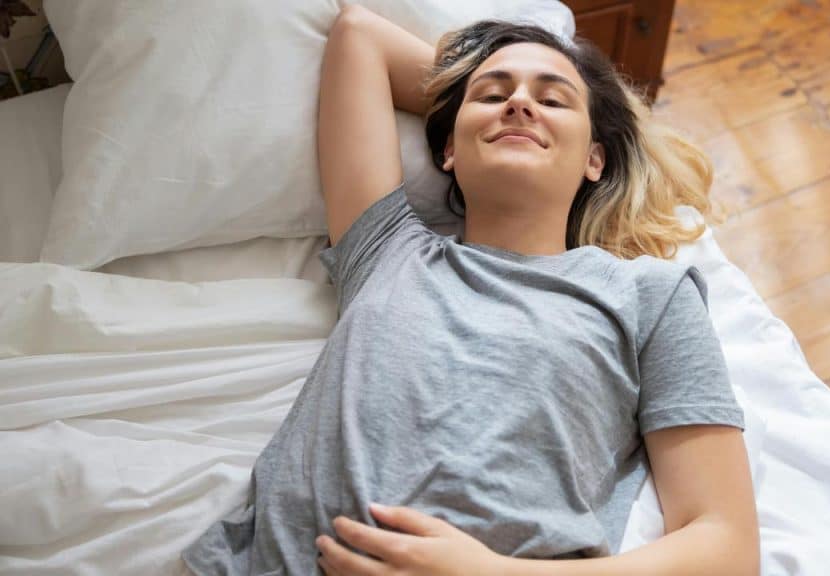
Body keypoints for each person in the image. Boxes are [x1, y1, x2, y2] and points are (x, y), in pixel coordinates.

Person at [182, 4, 759, 575]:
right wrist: (480, 100)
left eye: (553, 99)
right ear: (448, 152)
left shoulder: (649, 295)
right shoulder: (386, 248)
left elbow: (726, 547)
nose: (520, 102)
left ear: (593, 159)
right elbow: (360, 37)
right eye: (492, 94)